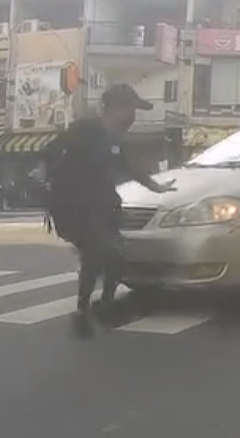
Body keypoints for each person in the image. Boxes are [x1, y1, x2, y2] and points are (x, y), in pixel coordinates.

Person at [44, 84, 176, 326]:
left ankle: (97, 305)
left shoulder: (115, 140)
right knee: (106, 254)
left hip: (104, 207)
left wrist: (156, 187)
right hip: (77, 208)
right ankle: (93, 307)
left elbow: (130, 167)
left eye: (135, 110)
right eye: (127, 109)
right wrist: (45, 176)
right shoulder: (83, 130)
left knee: (107, 258)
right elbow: (51, 151)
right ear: (110, 109)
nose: (131, 117)